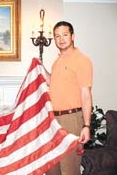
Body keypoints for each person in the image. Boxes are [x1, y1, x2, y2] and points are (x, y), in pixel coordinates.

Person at [43, 21, 93, 175]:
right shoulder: (57, 61)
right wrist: (40, 68)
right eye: (57, 36)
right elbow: (53, 83)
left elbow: (86, 95)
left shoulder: (82, 60)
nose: (61, 39)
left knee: (69, 169)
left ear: (72, 36)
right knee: (52, 166)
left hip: (71, 119)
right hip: (54, 121)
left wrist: (86, 125)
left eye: (65, 34)